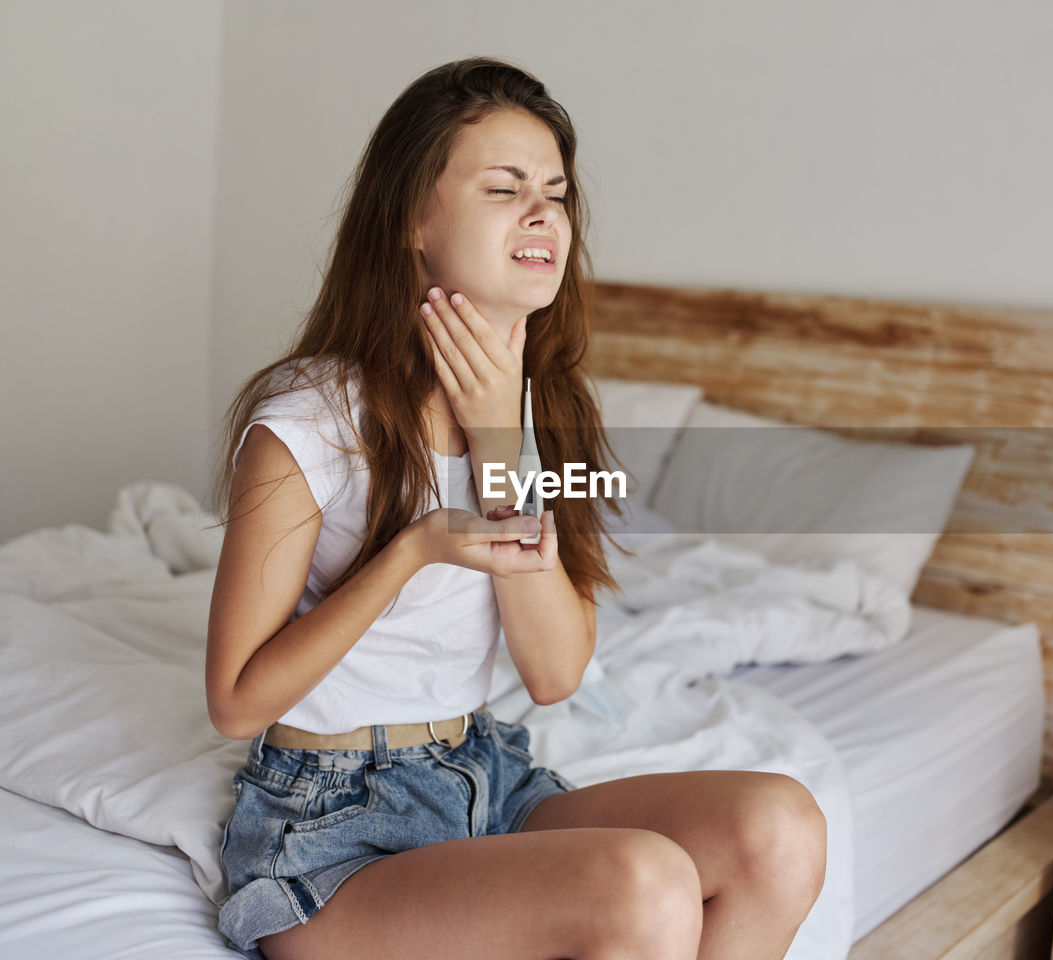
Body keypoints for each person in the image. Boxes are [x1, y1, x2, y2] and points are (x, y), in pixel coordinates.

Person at [206, 56, 826, 960]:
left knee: (781, 827)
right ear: (414, 218)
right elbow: (233, 702)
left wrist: (504, 445)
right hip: (330, 828)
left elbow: (555, 672)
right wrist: (414, 549)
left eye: (557, 192)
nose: (544, 213)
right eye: (505, 188)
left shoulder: (551, 409)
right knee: (643, 885)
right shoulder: (309, 423)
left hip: (481, 777)